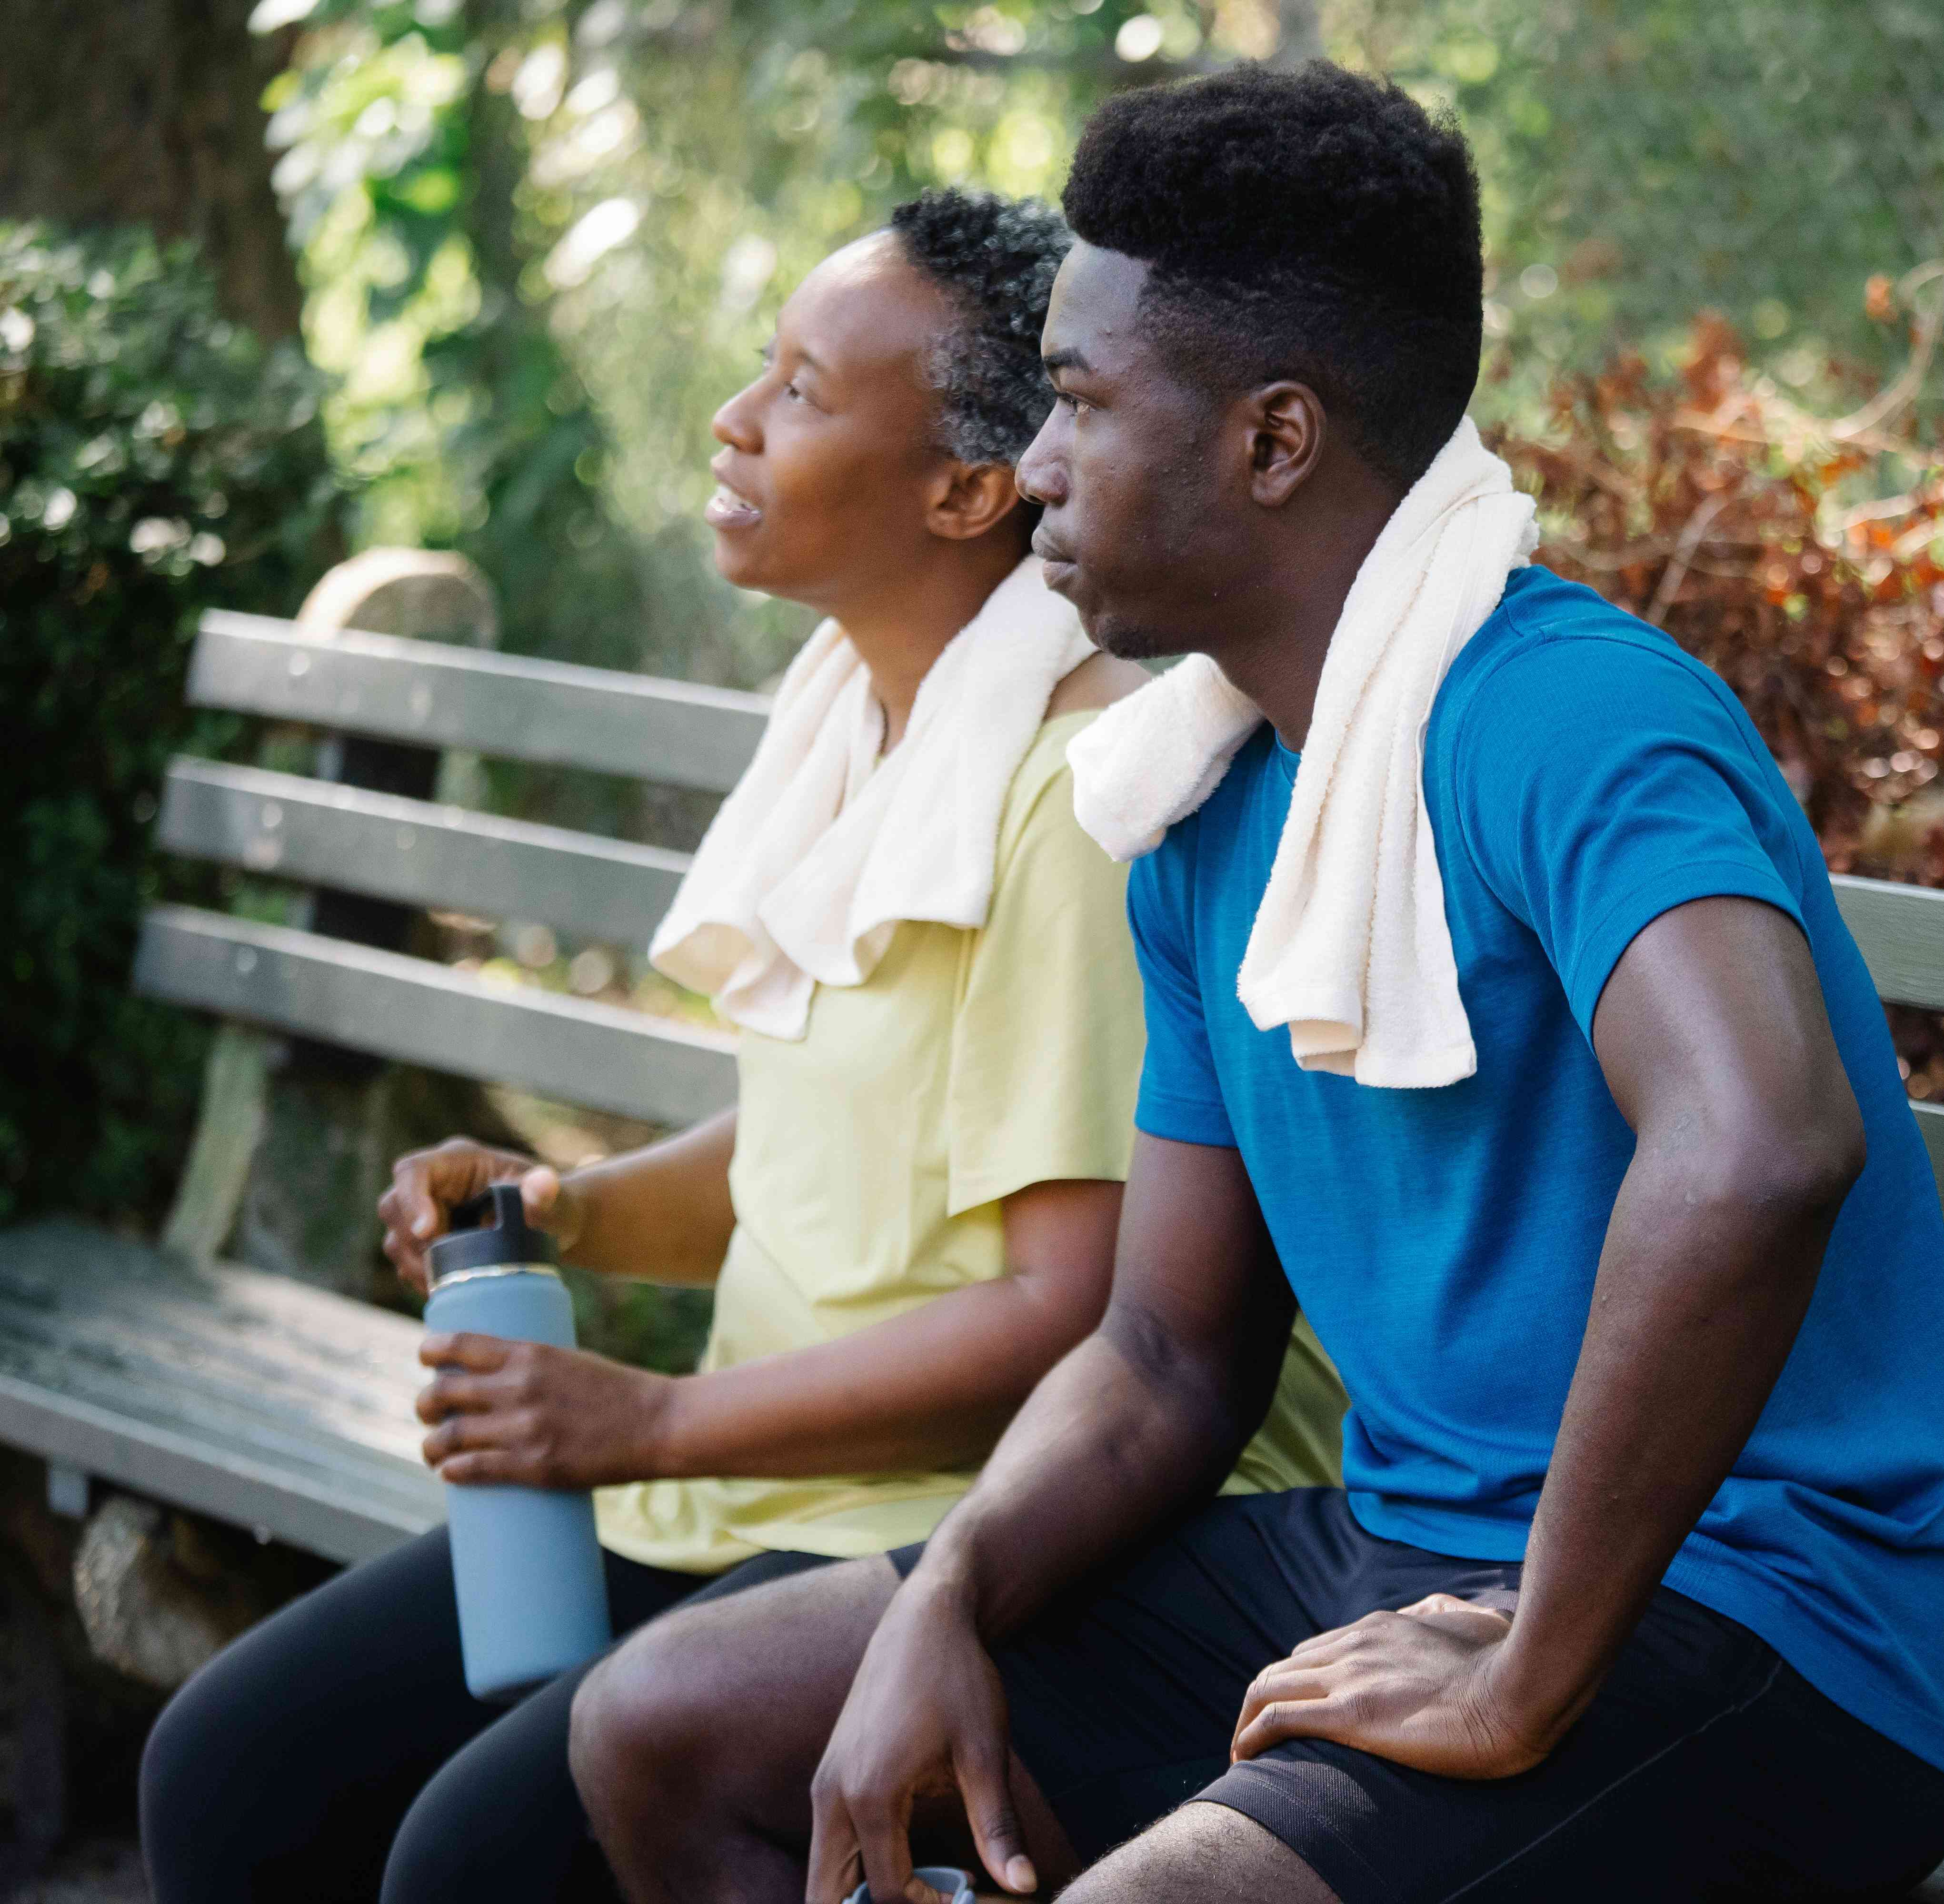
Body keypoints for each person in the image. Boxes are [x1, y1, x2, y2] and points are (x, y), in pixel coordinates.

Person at [566, 64, 1944, 1904]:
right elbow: (1168, 1356)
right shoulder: (1200, 788)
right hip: (1399, 1552)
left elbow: (1758, 1146)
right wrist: (949, 1594)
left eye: (1082, 405)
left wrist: (1527, 1666)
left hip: (1769, 1619)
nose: (1035, 469)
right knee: (671, 1723)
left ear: (1272, 441)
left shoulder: (1571, 716)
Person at [136, 185, 1345, 1904]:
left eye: (800, 389)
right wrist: (573, 1209)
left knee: (463, 1863)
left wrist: (646, 1420)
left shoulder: (1078, 798)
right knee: (233, 1771)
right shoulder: (859, 717)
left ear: (966, 489)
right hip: (741, 1485)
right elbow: (823, 1148)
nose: (734, 417)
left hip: (961, 1525)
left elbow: (1068, 1314)